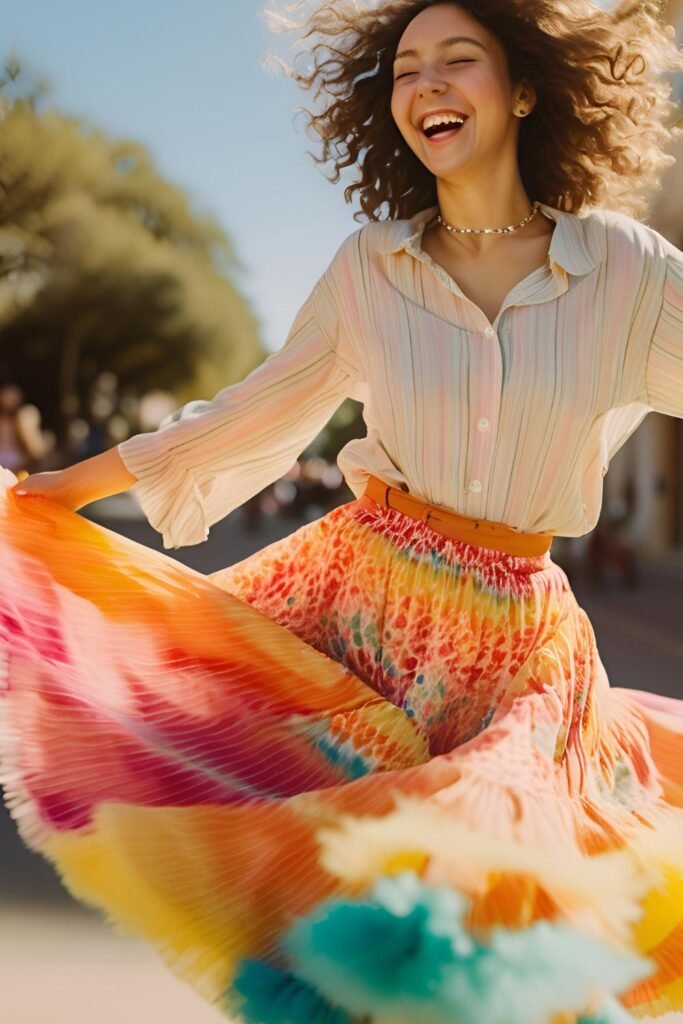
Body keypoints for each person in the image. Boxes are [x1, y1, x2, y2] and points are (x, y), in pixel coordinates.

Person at [1, 1, 683, 1022]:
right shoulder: (371, 268)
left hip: (516, 649)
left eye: (460, 60)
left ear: (529, 88)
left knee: (483, 928)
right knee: (347, 937)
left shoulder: (626, 272)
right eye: (405, 71)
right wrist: (59, 490)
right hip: (357, 615)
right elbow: (245, 416)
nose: (427, 86)